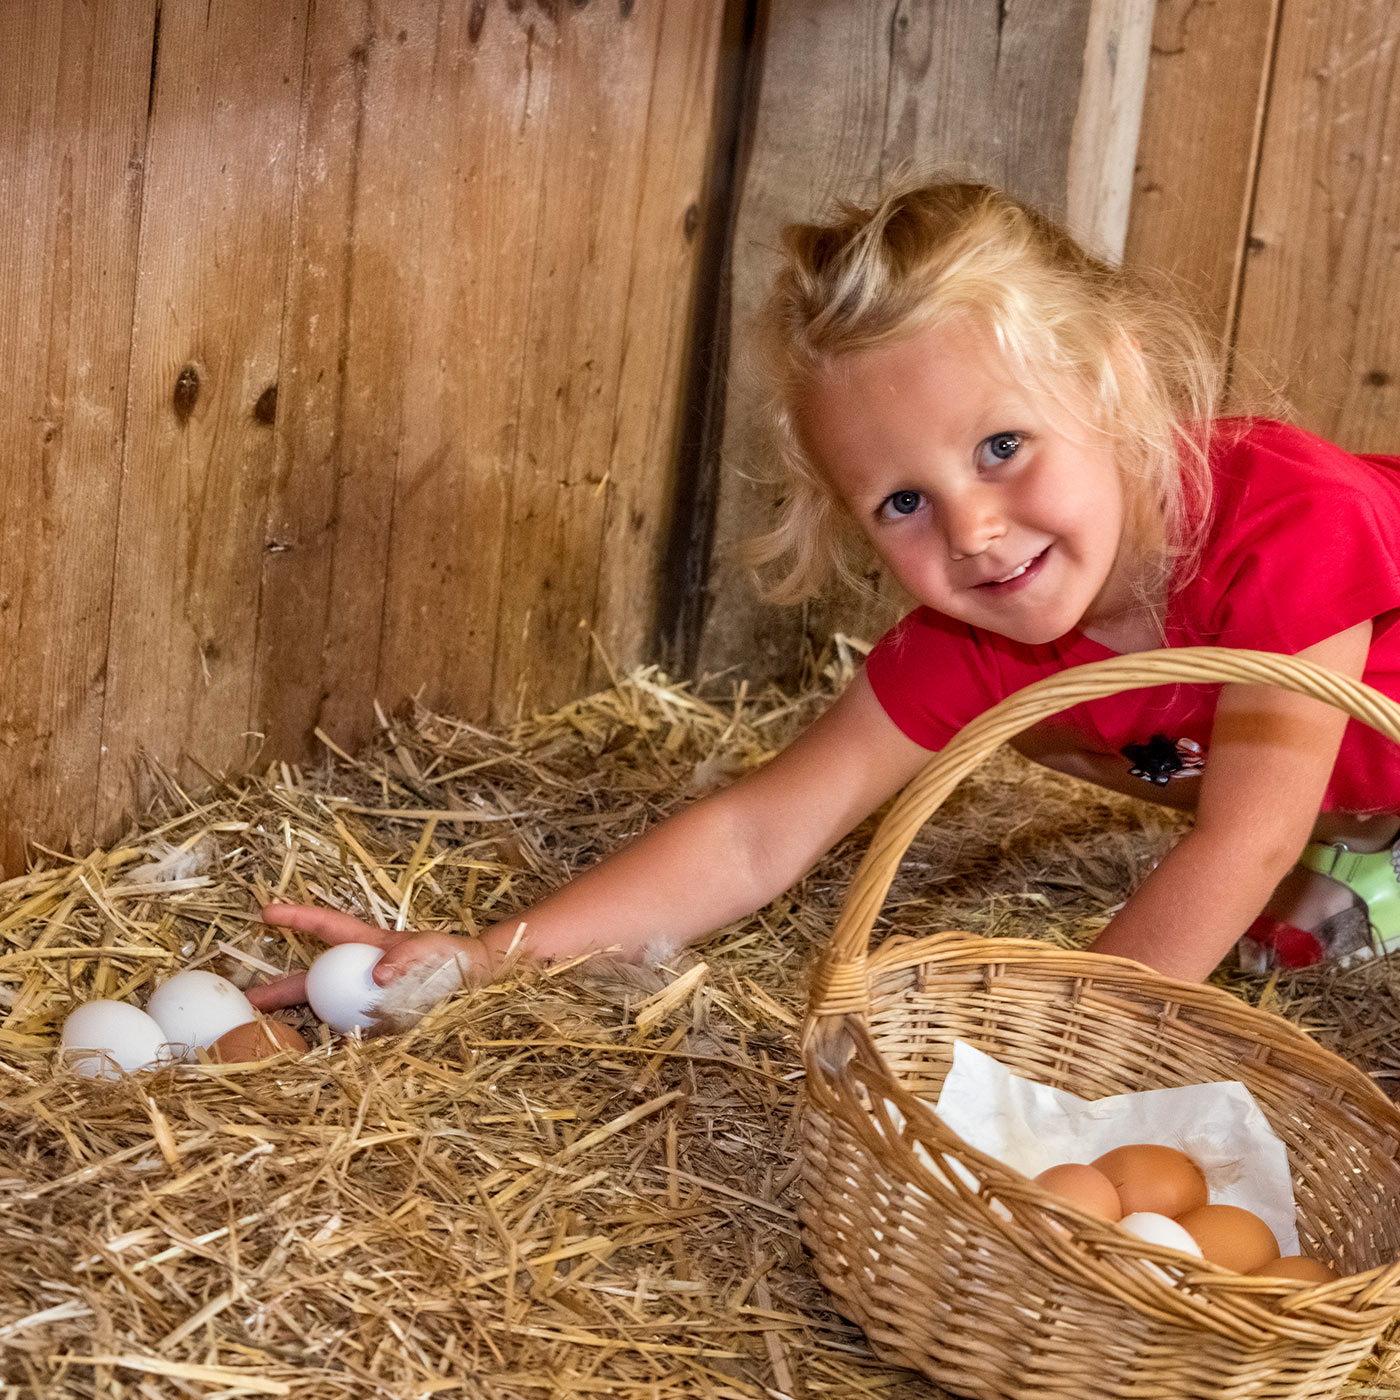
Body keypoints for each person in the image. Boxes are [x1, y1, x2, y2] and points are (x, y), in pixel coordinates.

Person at [247, 178, 1400, 1019]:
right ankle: (1363, 839)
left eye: (1002, 443)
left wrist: (1050, 1064)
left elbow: (1240, 840)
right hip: (1315, 773)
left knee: (1261, 816)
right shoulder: (980, 623)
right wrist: (488, 954)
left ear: (1109, 379)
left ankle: (1360, 842)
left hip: (1292, 780)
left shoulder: (1284, 523)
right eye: (902, 502)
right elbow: (756, 834)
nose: (973, 531)